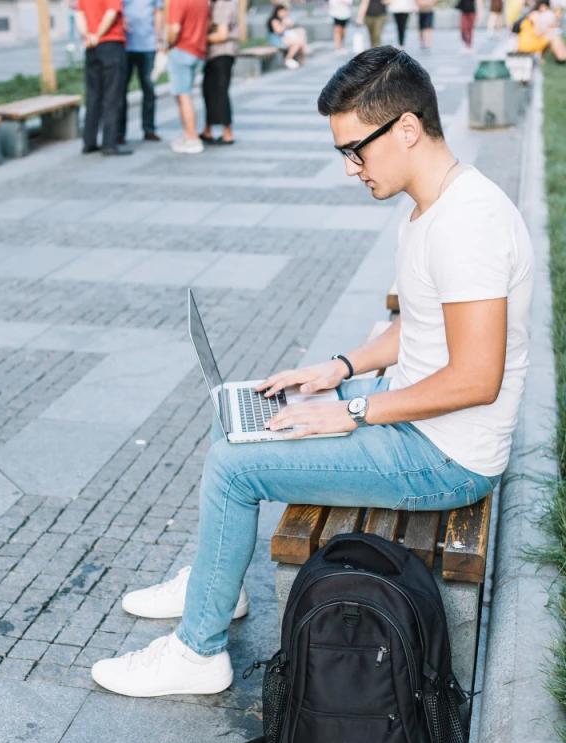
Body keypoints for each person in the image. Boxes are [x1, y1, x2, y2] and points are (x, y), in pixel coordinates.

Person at [90, 46, 533, 700]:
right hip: (412, 417)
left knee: (235, 466)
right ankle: (220, 577)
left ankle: (197, 651)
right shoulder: (433, 205)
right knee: (244, 404)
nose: (352, 168)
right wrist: (338, 369)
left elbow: (475, 378)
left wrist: (350, 411)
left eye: (356, 149)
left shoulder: (468, 223)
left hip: (446, 457)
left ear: (406, 128)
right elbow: (423, 323)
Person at [76, 0, 132, 155]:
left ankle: (89, 141)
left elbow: (79, 14)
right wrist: (97, 35)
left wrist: (87, 35)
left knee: (93, 95)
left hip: (91, 47)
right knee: (112, 95)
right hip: (110, 44)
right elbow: (111, 13)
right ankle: (109, 143)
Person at [166, 0, 210, 154]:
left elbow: (174, 29)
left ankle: (192, 137)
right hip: (199, 51)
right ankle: (187, 133)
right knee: (186, 94)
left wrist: (168, 44)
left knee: (183, 96)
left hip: (182, 49)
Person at [118, 0, 164, 144]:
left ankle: (149, 129)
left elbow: (158, 12)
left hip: (148, 45)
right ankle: (119, 132)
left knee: (149, 88)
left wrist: (159, 40)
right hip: (125, 45)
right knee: (120, 90)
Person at [201, 0, 239, 145]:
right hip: (221, 54)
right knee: (210, 91)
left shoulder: (223, 4)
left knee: (219, 92)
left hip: (220, 53)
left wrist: (200, 38)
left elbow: (222, 34)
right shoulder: (229, 3)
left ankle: (227, 133)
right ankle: (208, 130)